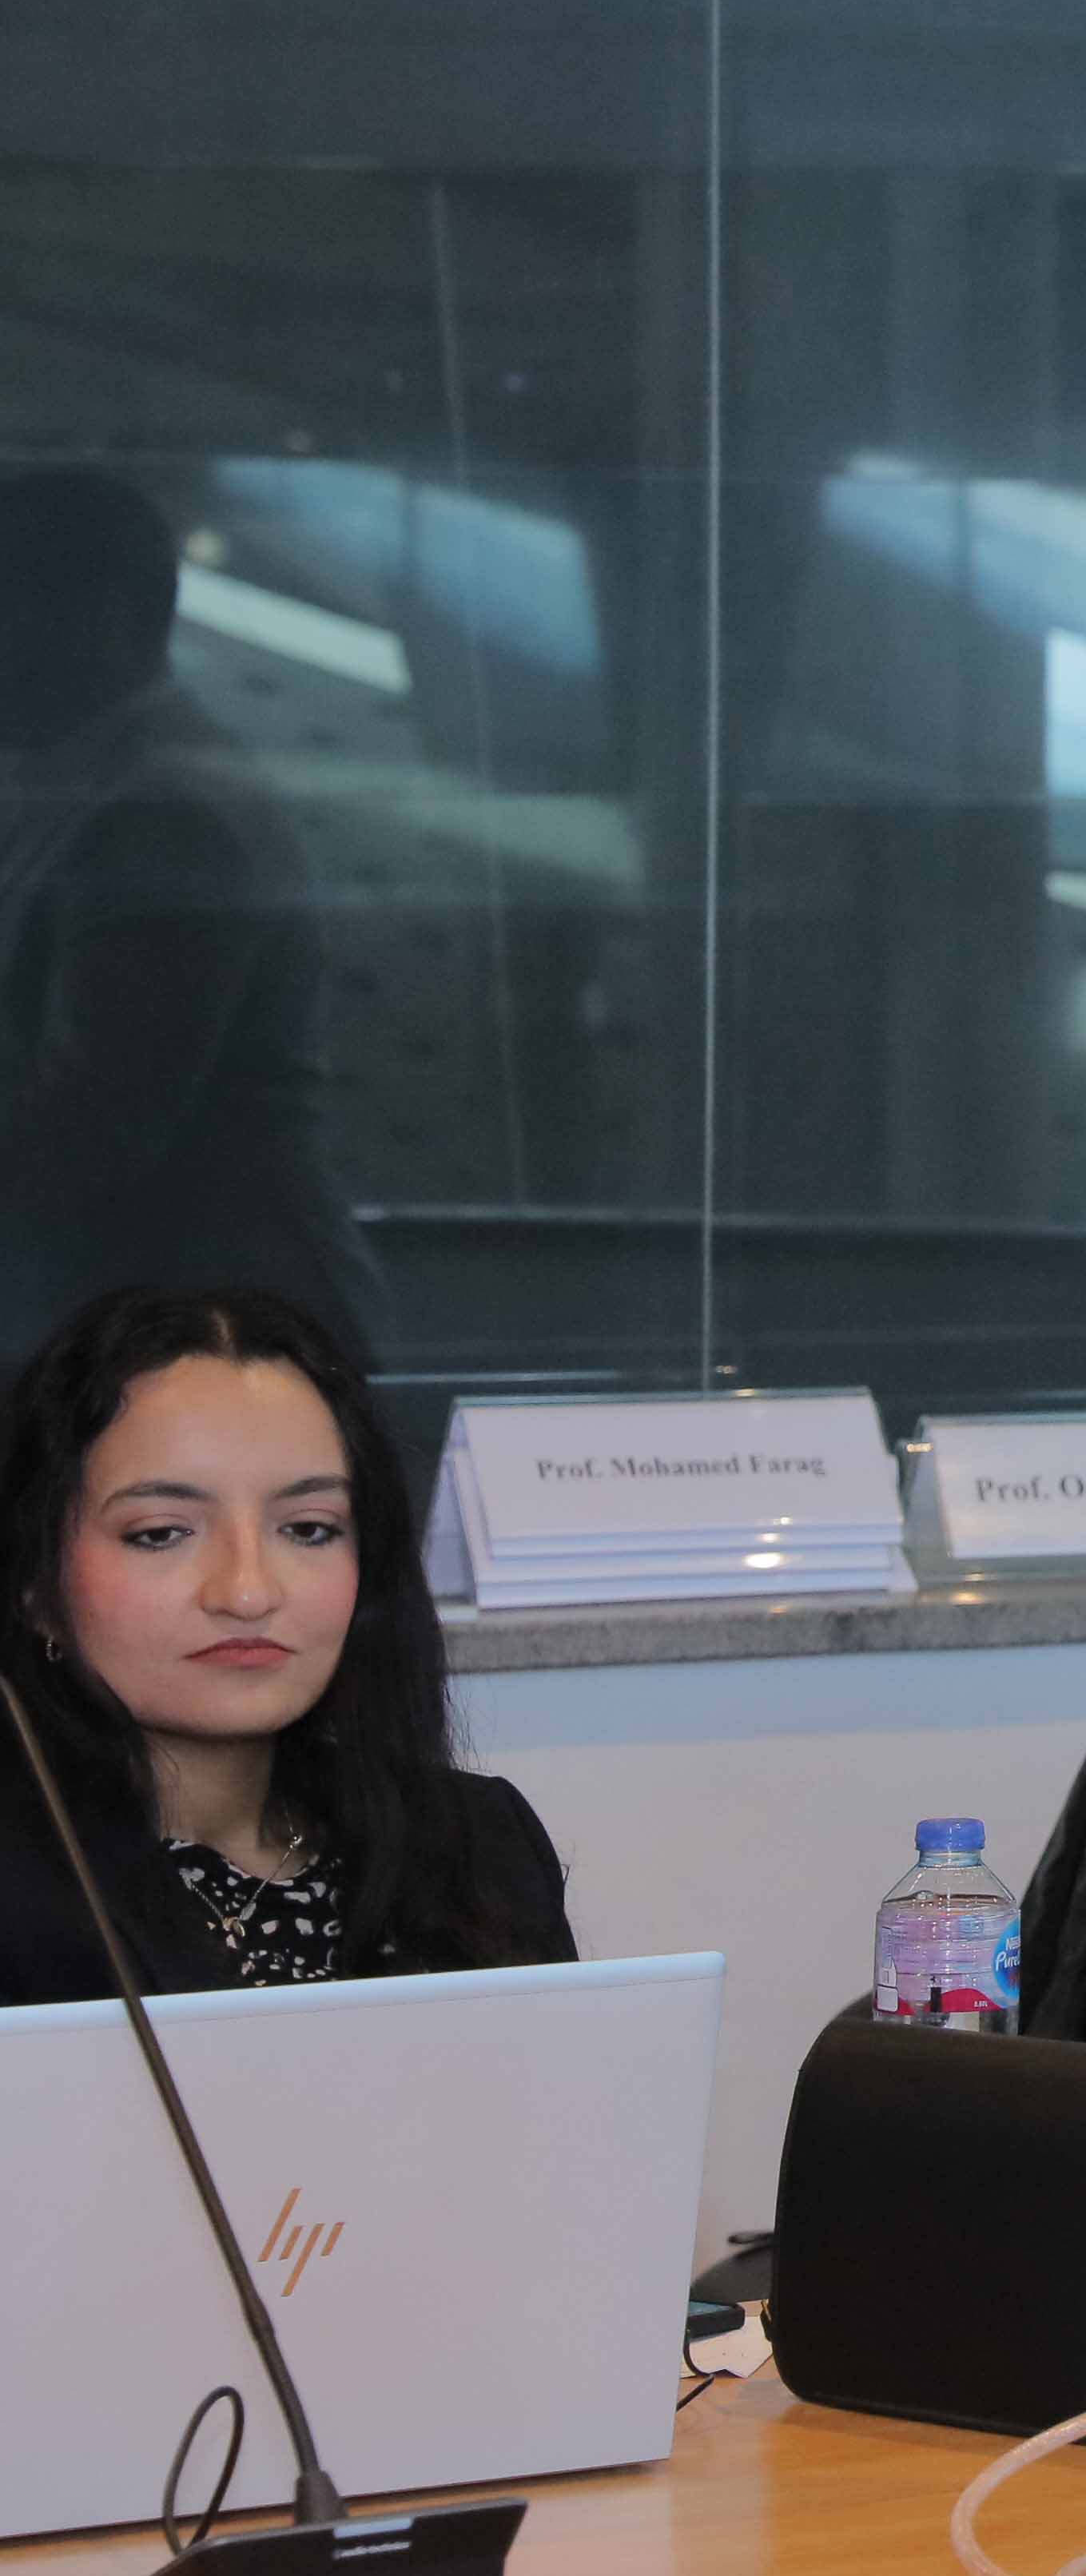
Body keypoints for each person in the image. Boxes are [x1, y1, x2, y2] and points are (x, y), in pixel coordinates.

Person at [0, 1282, 572, 2005]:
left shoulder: (478, 1844)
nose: (247, 1592)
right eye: (161, 1533)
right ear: (35, 1587)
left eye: (307, 1529)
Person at [0, 468, 381, 1369]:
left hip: (209, 1331)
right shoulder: (101, 788)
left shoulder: (162, 814)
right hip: (172, 1324)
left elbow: (88, 1133)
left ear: (102, 614)